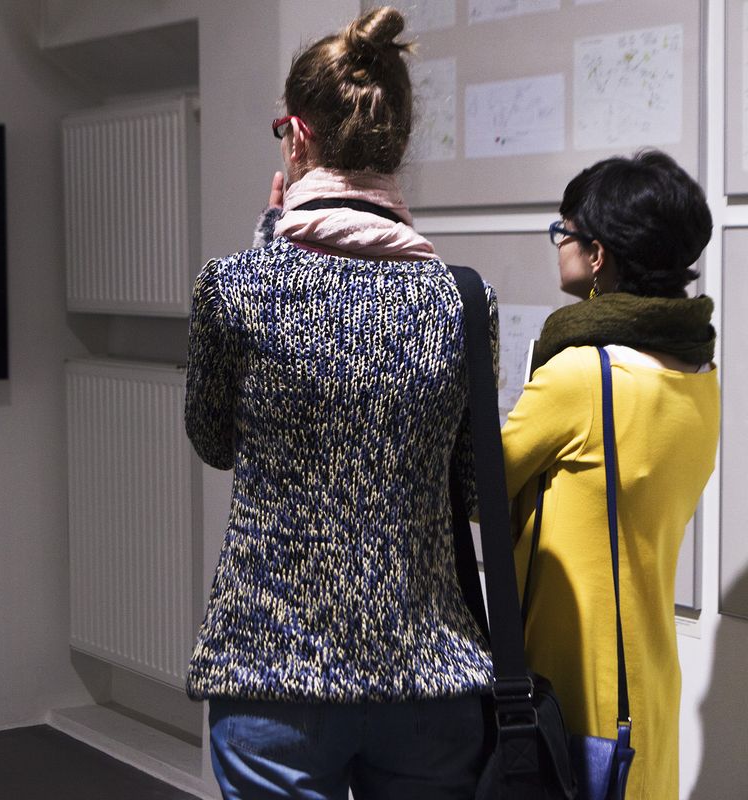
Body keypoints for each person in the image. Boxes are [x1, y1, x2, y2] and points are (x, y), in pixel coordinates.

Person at [183, 8, 495, 798]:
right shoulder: (462, 300)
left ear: (296, 137)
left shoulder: (235, 286)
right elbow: (469, 487)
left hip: (272, 670)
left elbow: (213, 440)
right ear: (400, 142)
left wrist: (272, 244)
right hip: (428, 676)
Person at [503, 150, 718, 800]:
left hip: (571, 696)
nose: (558, 245)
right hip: (646, 689)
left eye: (563, 232)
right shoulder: (701, 380)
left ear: (598, 254)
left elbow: (478, 486)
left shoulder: (582, 376)